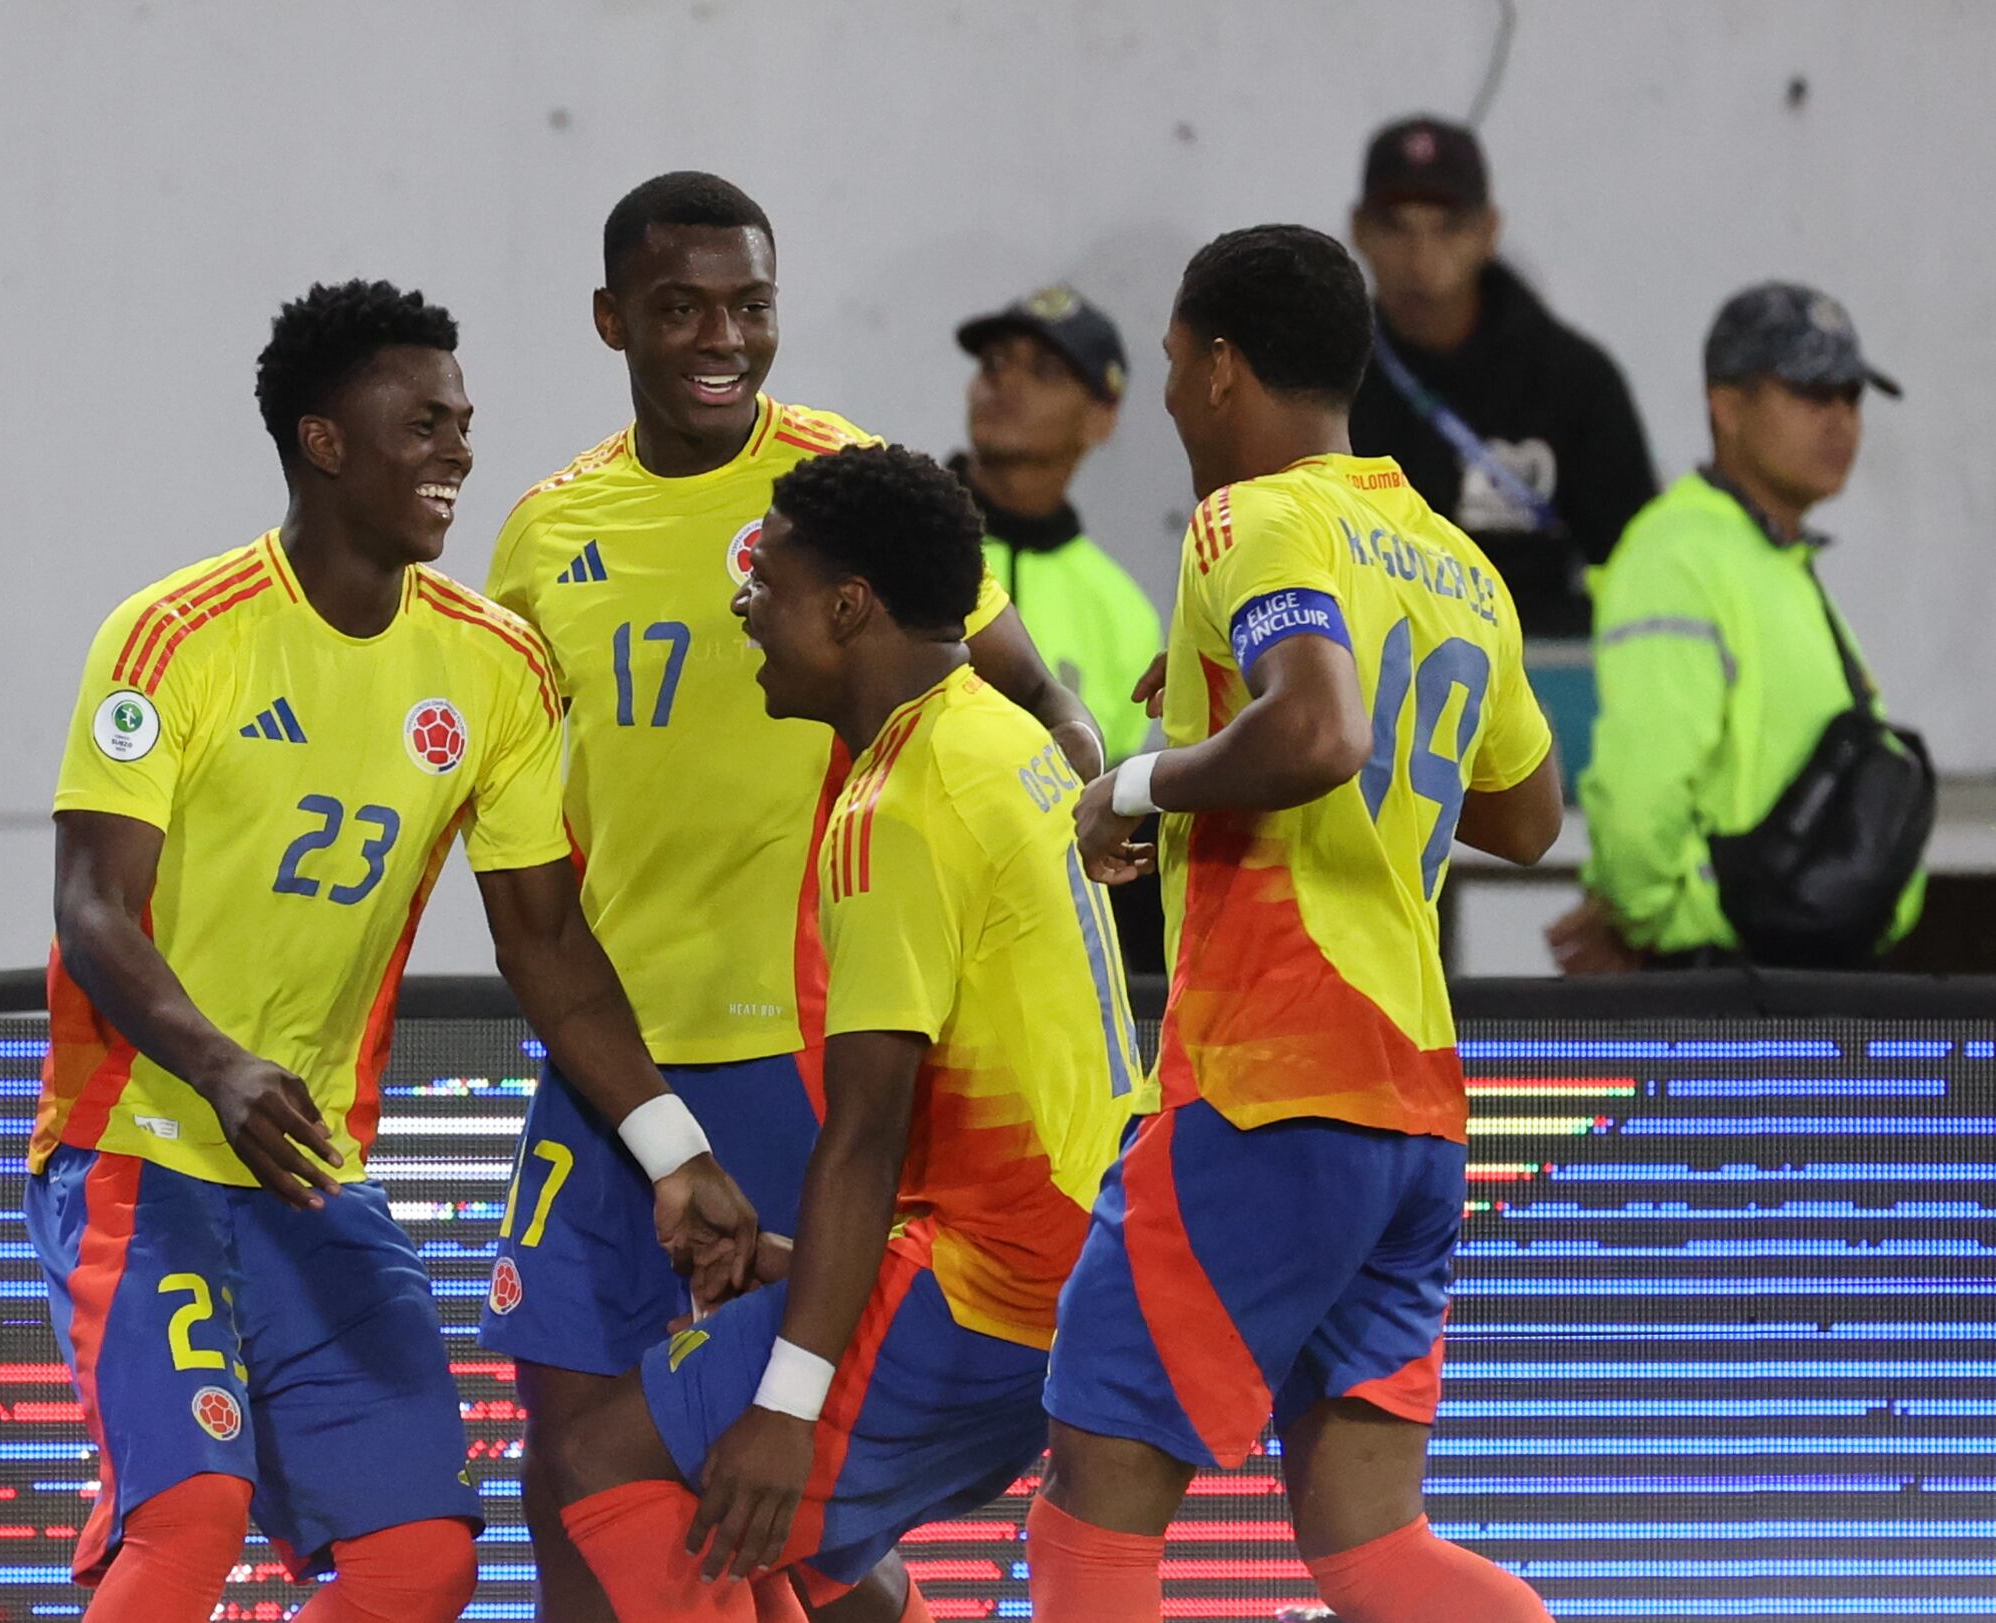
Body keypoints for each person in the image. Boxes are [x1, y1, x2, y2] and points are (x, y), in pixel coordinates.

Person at [26, 280, 757, 1623]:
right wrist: (224, 1067)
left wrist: (671, 1147)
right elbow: (91, 912)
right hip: (141, 1149)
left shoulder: (492, 667)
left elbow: (547, 941)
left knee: (420, 1565)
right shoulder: (174, 634)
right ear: (324, 440)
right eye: (422, 420)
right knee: (191, 1516)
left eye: (464, 422)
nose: (458, 450)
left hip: (312, 1175)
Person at [479, 171, 1099, 1623]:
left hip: (806, 1065)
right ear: (609, 318)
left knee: (764, 1497)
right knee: (566, 1475)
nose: (721, 337)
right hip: (612, 1060)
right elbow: (516, 836)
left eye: (749, 305)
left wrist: (1088, 781)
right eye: (681, 306)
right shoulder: (541, 537)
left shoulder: (842, 487)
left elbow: (1016, 679)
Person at [1044, 225, 1564, 1623]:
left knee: (1093, 1490)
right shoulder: (1456, 558)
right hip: (1414, 1111)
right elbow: (1526, 817)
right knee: (1369, 1543)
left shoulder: (1254, 518)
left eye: (1167, 364)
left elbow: (1322, 727)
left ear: (1219, 366)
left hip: (1272, 1077)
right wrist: (1227, 722)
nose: (1163, 397)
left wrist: (1139, 781)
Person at [542, 443, 1143, 1621]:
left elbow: (865, 1135)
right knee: (779, 1559)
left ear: (848, 605)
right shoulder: (1001, 739)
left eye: (762, 581)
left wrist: (786, 1401)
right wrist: (787, 1271)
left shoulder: (894, 809)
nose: (741, 605)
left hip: (990, 1293)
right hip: (1075, 1275)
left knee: (603, 1456)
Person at [1552, 282, 1922, 972]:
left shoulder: (1768, 554)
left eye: (1850, 394)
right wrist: (1662, 924)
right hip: (1725, 988)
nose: (1840, 418)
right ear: (1726, 405)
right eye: (1811, 392)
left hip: (1779, 973)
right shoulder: (1679, 555)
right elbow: (1640, 805)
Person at [1348, 115, 1657, 637]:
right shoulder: (1324, 381)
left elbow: (1641, 577)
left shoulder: (1575, 383)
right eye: (1397, 228)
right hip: (1367, 688)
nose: (1422, 259)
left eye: (1448, 228)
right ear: (1359, 232)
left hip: (1545, 693)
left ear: (1489, 232)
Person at [952, 284, 1170, 971]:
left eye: (1043, 372)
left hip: (1044, 939)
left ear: (1102, 416)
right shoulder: (900, 540)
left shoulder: (1122, 608)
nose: (1005, 386)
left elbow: (1107, 796)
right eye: (994, 365)